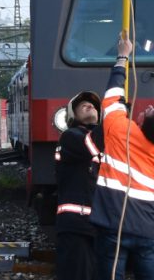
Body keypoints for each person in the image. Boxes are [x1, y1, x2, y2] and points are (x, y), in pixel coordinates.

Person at [90, 32, 154, 280]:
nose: (147, 107)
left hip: (113, 224)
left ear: (142, 121)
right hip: (146, 228)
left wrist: (122, 56)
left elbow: (112, 95)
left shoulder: (119, 129)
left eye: (149, 111)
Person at [54, 91, 102, 280]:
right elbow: (93, 145)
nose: (89, 106)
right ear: (72, 116)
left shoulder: (98, 139)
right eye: (83, 105)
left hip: (97, 225)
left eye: (93, 105)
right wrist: (116, 118)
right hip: (76, 226)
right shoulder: (71, 137)